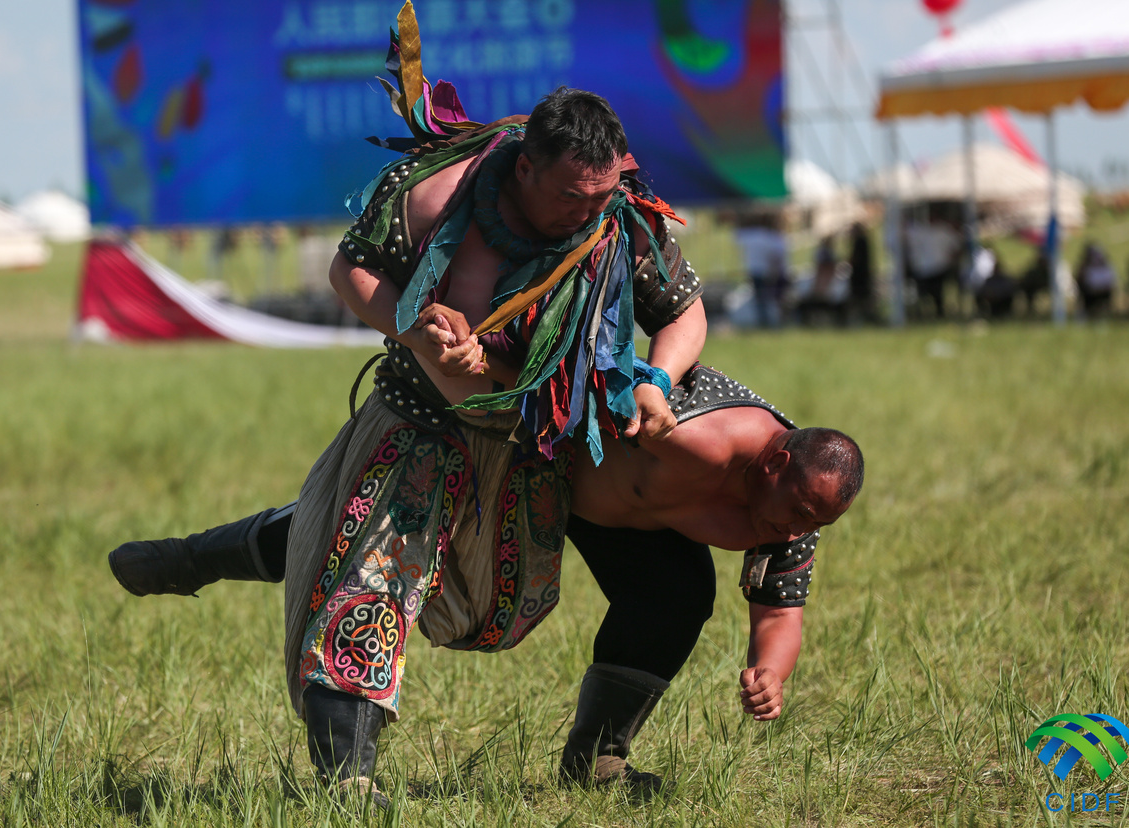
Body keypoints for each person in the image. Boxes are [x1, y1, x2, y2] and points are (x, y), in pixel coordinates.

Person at [113, 5, 706, 807]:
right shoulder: (433, 191)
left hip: (554, 436)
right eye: (572, 193)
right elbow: (351, 271)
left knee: (672, 583)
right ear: (526, 167)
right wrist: (419, 333)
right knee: (370, 576)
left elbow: (682, 312)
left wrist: (655, 381)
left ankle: (599, 758)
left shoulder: (619, 217)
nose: (588, 209)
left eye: (601, 192)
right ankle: (347, 781)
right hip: (423, 420)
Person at [111, 365, 864, 801]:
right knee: (370, 533)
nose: (797, 528)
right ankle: (196, 557)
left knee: (678, 599)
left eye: (813, 520)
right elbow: (589, 375)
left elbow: (781, 608)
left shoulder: (790, 516)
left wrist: (772, 670)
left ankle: (598, 758)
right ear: (770, 465)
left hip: (629, 527)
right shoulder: (691, 428)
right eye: (796, 509)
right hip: (534, 460)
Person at [733, 211, 789, 328]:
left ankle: (765, 321)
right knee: (770, 299)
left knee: (760, 299)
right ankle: (769, 322)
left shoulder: (750, 235)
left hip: (755, 271)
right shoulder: (771, 237)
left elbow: (736, 235)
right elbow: (776, 257)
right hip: (768, 271)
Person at [1075, 242, 1115, 318]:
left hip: (1103, 293)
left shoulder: (1106, 266)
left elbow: (1111, 282)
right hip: (1089, 293)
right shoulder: (1084, 268)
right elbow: (1079, 280)